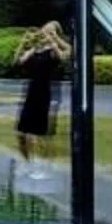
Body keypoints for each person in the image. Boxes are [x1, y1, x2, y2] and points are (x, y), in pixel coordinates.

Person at [12, 18, 71, 162]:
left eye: (50, 30)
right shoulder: (35, 49)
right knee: (21, 132)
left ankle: (40, 161)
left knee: (40, 133)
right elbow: (17, 62)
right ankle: (27, 160)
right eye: (46, 29)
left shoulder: (53, 52)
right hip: (30, 92)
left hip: (44, 93)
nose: (46, 32)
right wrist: (22, 43)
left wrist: (55, 41)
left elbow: (66, 54)